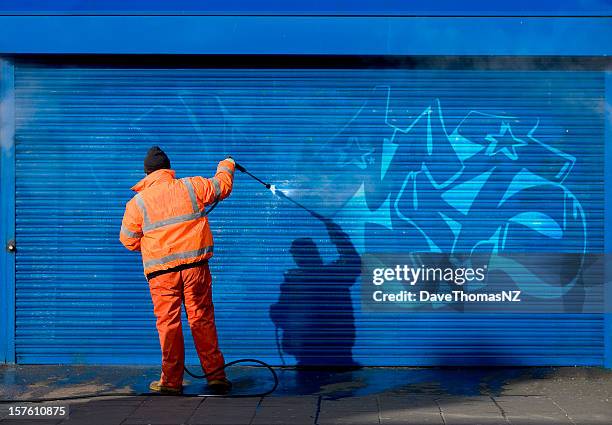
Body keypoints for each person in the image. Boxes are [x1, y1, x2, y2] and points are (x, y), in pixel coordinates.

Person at [119, 146, 235, 395]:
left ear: (147, 173)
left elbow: (128, 240)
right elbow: (221, 186)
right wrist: (227, 164)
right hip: (195, 269)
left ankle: (171, 382)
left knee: (168, 324)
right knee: (201, 318)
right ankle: (215, 377)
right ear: (168, 169)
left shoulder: (137, 203)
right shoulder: (191, 186)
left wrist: (155, 245)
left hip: (162, 274)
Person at [270, 218, 361, 367]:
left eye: (298, 254)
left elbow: (281, 316)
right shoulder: (333, 274)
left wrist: (275, 311)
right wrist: (337, 235)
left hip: (311, 354)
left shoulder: (296, 281)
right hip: (334, 351)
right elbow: (353, 262)